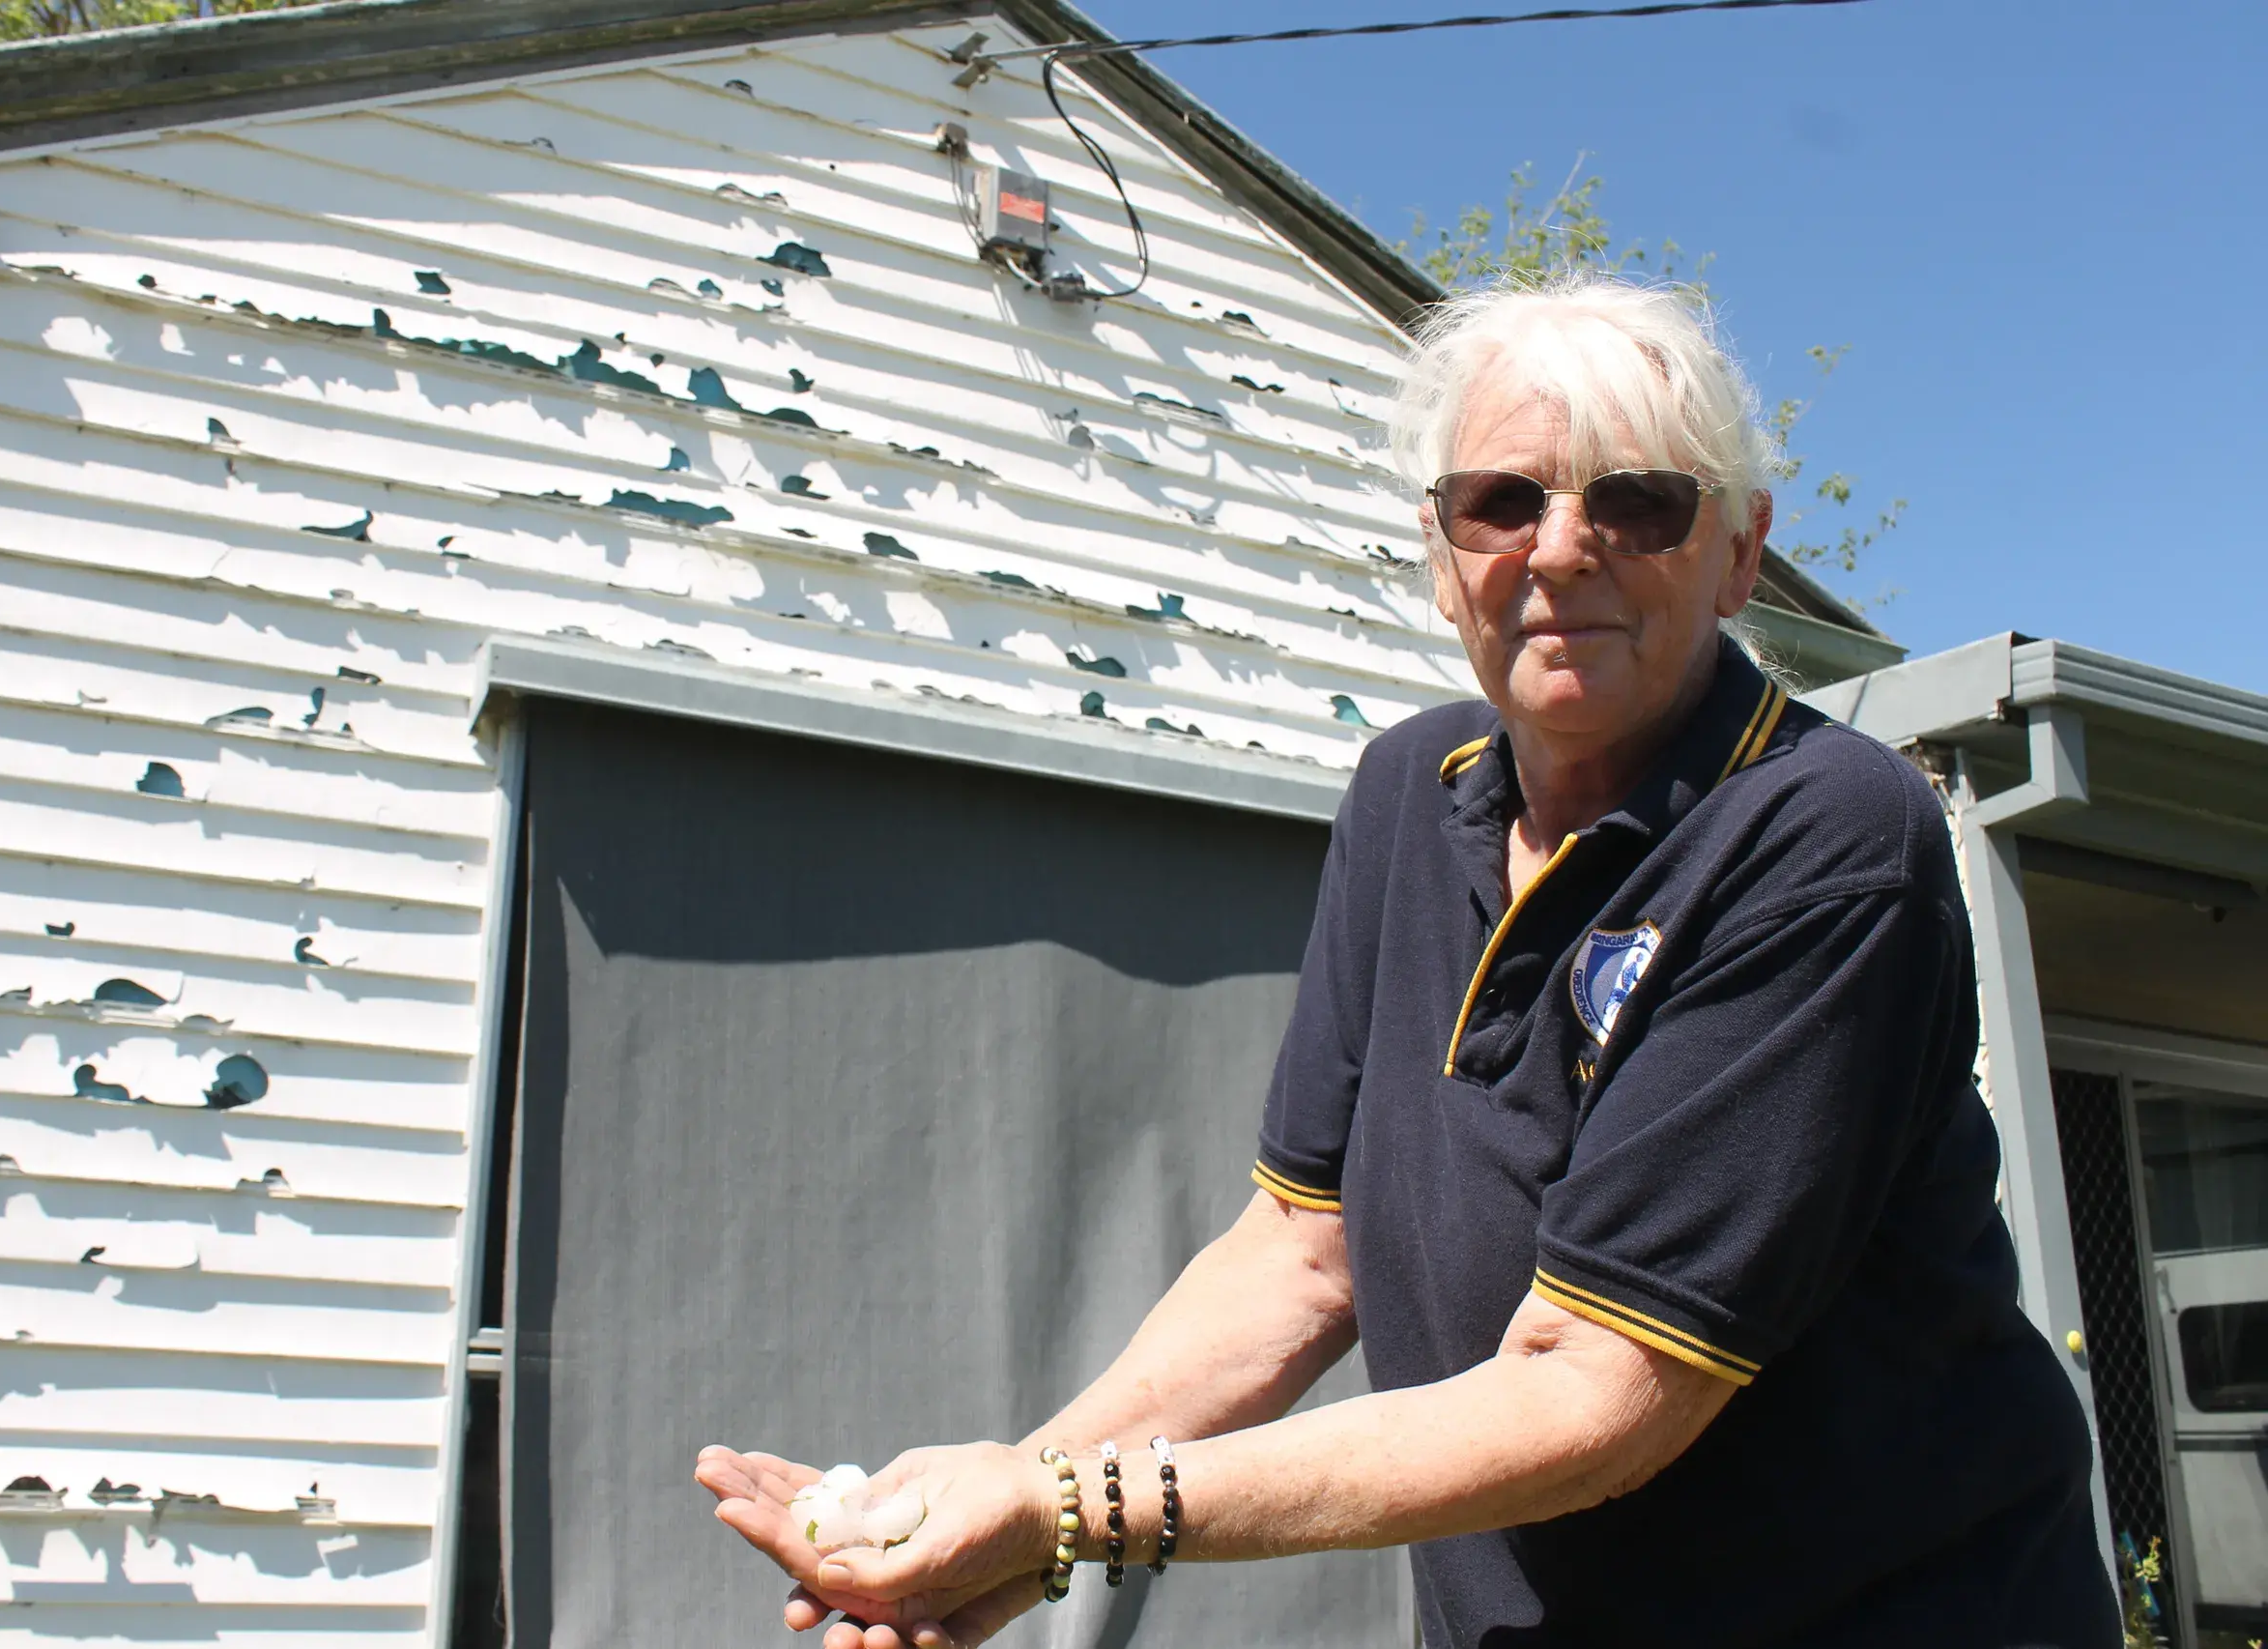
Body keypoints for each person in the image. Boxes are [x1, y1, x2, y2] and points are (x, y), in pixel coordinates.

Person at [695, 275, 2116, 1648]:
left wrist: (1061, 1512)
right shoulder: (1405, 793)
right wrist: (995, 1508)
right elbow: (1304, 1253)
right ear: (1442, 560)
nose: (1562, 549)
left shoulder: (1823, 831)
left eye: (1638, 500)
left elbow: (1596, 1395)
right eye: (1504, 501)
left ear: (1740, 550)